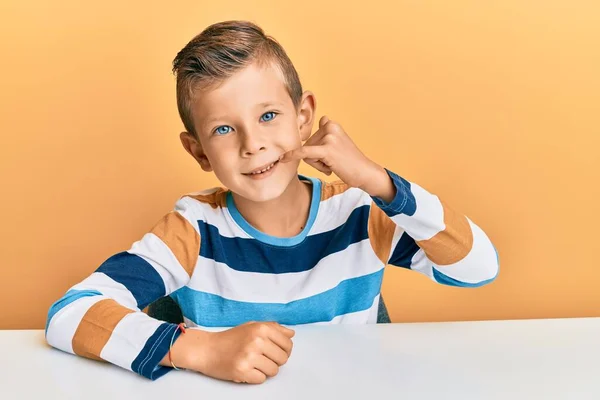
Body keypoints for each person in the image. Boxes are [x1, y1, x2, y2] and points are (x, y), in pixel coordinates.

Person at [45, 20, 499, 384]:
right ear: (199, 151)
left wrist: (380, 183)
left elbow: (478, 268)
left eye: (268, 116)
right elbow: (69, 314)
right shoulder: (193, 230)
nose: (253, 144)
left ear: (302, 118)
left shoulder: (360, 214)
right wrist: (200, 350)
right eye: (224, 129)